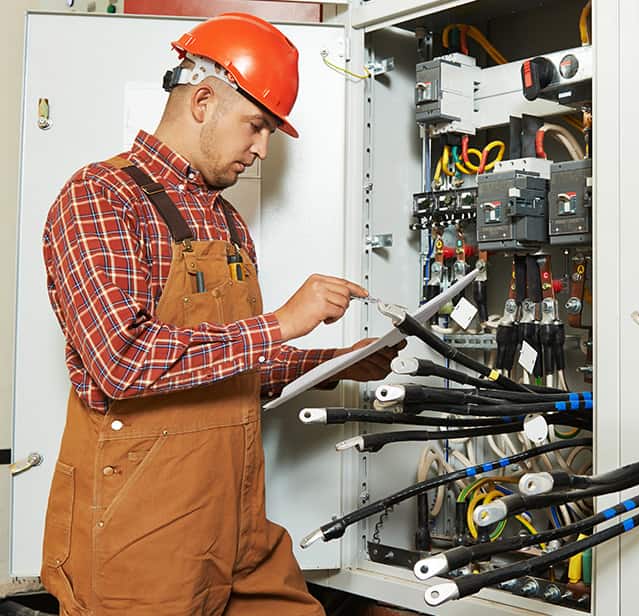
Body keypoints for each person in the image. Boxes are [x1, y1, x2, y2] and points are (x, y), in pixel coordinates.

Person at [39, 13, 395, 615]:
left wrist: (335, 364)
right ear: (203, 102)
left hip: (238, 525)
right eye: (256, 126)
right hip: (143, 540)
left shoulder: (225, 220)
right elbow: (122, 362)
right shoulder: (100, 197)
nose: (261, 150)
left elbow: (229, 365)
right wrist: (282, 322)